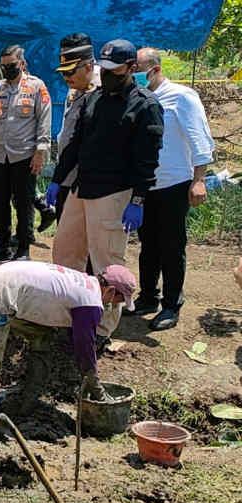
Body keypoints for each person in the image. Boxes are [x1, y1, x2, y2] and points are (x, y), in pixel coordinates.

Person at [46, 39, 164, 339]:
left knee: (108, 265)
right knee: (65, 255)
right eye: (106, 68)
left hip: (114, 194)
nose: (110, 74)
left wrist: (138, 199)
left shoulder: (145, 106)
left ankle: (101, 330)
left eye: (116, 69)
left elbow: (147, 160)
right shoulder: (92, 99)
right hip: (80, 189)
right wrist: (58, 179)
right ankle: (66, 316)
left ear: (131, 68)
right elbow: (74, 145)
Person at [127, 48, 214, 331]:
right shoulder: (137, 99)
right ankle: (148, 297)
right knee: (147, 244)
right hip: (145, 184)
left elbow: (200, 138)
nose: (134, 74)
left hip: (174, 183)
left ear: (154, 68)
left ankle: (172, 304)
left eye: (138, 68)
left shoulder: (181, 96)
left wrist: (199, 179)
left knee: (171, 246)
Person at [0, 261, 136, 406]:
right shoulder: (90, 303)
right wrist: (95, 386)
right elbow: (84, 348)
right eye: (118, 301)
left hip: (1, 278)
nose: (114, 306)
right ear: (111, 291)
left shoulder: (85, 282)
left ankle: (30, 392)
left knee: (42, 336)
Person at [0, 45, 52, 262]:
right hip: (0, 154)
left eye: (11, 65)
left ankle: (23, 248)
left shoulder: (36, 87)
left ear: (22, 63)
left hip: (25, 155)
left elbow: (44, 119)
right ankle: (1, 244)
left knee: (24, 202)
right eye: (4, 66)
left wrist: (41, 151)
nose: (7, 69)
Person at [52, 33, 100, 222]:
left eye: (70, 71)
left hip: (88, 180)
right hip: (67, 174)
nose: (66, 77)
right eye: (63, 71)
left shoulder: (102, 89)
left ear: (88, 65)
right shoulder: (76, 86)